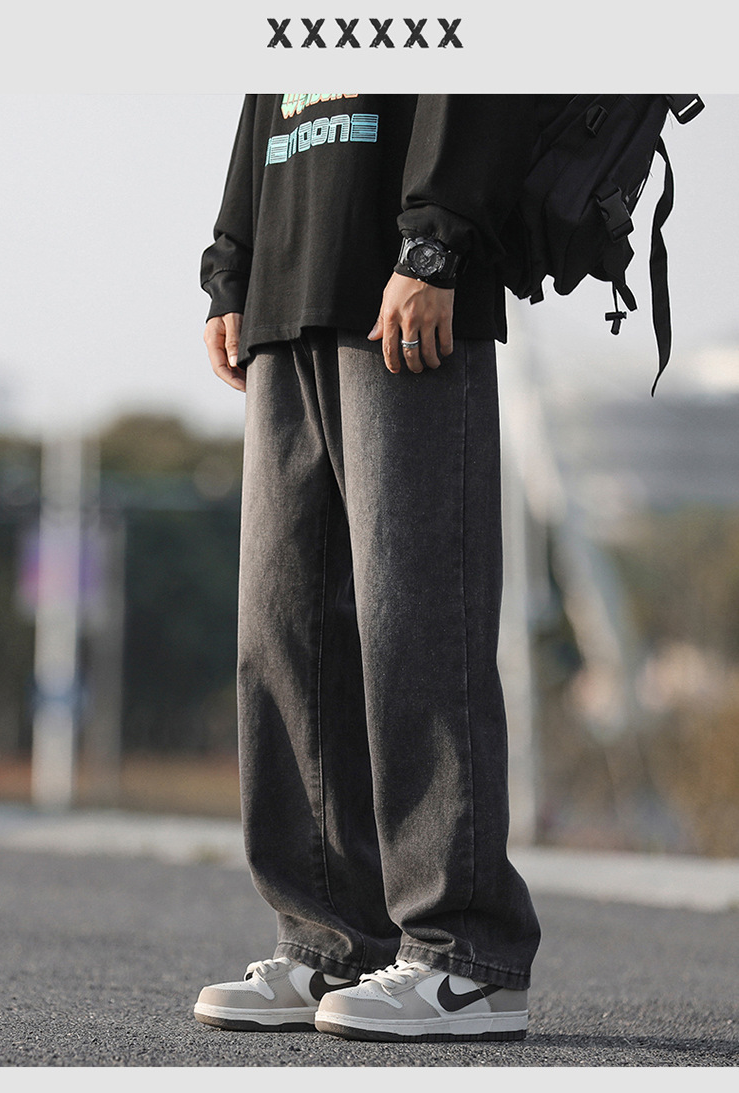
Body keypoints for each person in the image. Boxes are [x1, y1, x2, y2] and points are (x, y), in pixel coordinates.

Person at [194, 94, 541, 1043]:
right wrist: (231, 264)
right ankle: (328, 937)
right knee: (282, 635)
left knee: (417, 620)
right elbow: (264, 94)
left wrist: (435, 244)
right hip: (286, 284)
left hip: (405, 281)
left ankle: (466, 953)